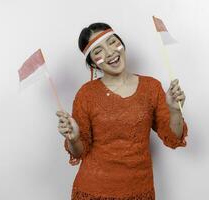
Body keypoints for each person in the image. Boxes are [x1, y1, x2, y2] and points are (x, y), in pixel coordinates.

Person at [56, 22, 188, 200]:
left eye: (112, 42)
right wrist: (73, 138)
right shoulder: (86, 94)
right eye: (98, 51)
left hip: (139, 190)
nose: (110, 52)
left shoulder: (151, 87)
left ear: (122, 44)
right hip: (93, 190)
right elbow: (79, 151)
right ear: (93, 63)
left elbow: (174, 137)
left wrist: (174, 110)